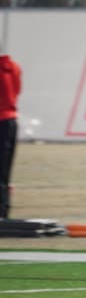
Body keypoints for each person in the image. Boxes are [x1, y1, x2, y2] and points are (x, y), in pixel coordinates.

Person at [0, 50, 21, 220]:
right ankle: (3, 210)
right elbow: (17, 91)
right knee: (4, 170)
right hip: (11, 121)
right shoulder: (14, 67)